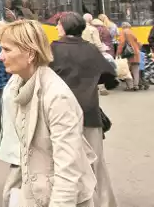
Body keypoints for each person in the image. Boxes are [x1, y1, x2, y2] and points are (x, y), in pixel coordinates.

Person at [0, 20, 96, 207]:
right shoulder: (18, 85)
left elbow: (68, 169)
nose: (0, 57)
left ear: (30, 54)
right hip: (36, 193)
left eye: (7, 50)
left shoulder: (57, 97)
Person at [50, 12, 118, 207]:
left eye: (58, 24)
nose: (56, 28)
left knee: (64, 162)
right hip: (90, 113)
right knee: (96, 162)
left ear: (64, 27)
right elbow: (110, 77)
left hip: (62, 114)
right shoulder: (91, 49)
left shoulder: (54, 49)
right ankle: (104, 202)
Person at [0, 79, 21, 207]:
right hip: (16, 151)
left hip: (23, 154)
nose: (0, 57)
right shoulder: (17, 78)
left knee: (9, 195)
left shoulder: (31, 82)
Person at [117, 22, 141, 91]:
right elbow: (138, 42)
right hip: (136, 53)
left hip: (127, 54)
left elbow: (122, 43)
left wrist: (118, 52)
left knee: (126, 69)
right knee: (135, 69)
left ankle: (130, 86)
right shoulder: (132, 32)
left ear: (123, 26)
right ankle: (136, 85)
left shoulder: (123, 32)